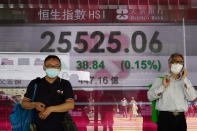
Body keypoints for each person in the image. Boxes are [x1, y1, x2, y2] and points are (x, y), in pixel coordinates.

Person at [21, 55, 75, 131]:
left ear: (60, 68)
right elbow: (24, 104)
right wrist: (34, 104)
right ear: (44, 67)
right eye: (50, 66)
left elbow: (70, 104)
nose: (53, 68)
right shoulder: (35, 83)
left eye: (56, 66)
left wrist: (50, 109)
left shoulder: (65, 84)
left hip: (61, 128)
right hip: (38, 127)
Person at [147, 53, 197, 131]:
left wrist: (185, 79)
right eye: (175, 61)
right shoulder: (160, 79)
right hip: (164, 119)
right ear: (169, 64)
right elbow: (150, 96)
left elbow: (192, 97)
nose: (178, 64)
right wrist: (163, 87)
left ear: (183, 65)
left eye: (180, 62)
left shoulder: (185, 81)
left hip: (180, 119)